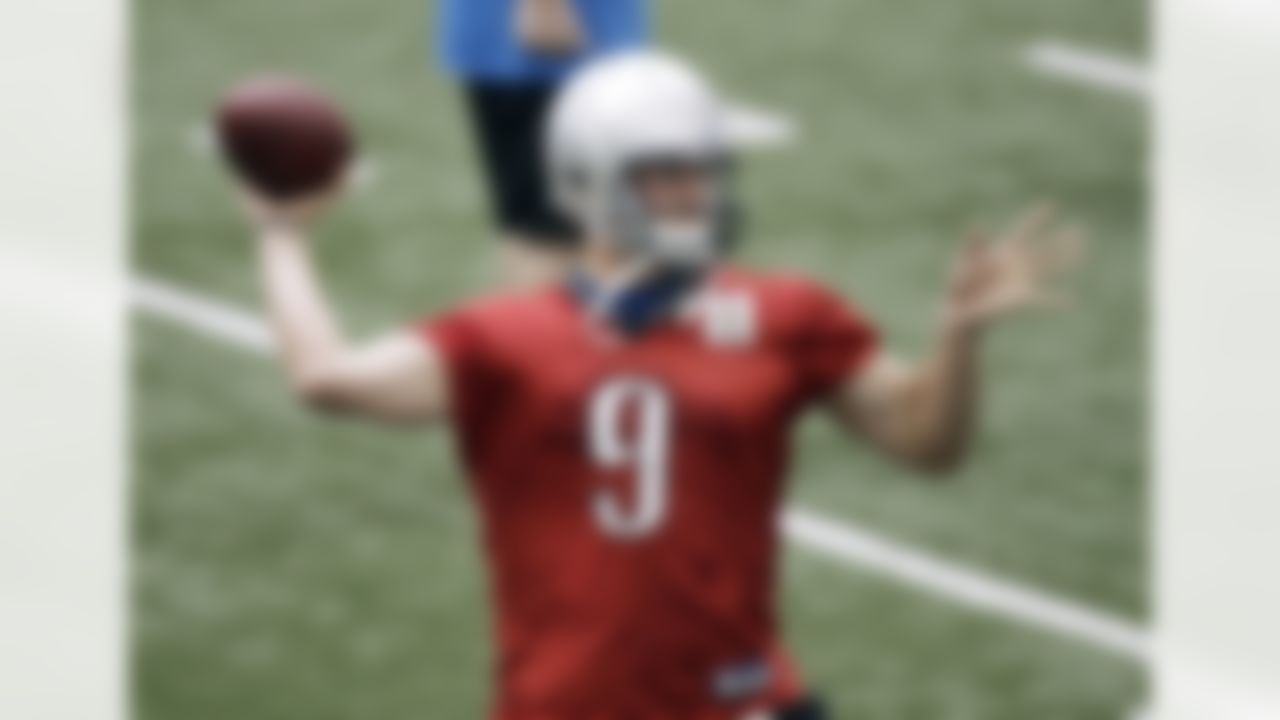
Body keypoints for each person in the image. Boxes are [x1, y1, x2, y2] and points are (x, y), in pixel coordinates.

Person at [241, 50, 1081, 720]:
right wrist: (281, 233)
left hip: (744, 702)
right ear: (585, 183)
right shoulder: (503, 337)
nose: (693, 192)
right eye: (662, 173)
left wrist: (958, 340)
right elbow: (325, 377)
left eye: (703, 169)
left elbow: (926, 444)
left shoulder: (785, 314)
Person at [437, 0, 651, 287]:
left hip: (571, 49)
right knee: (551, 237)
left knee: (591, 232)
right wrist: (545, 7)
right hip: (550, 54)